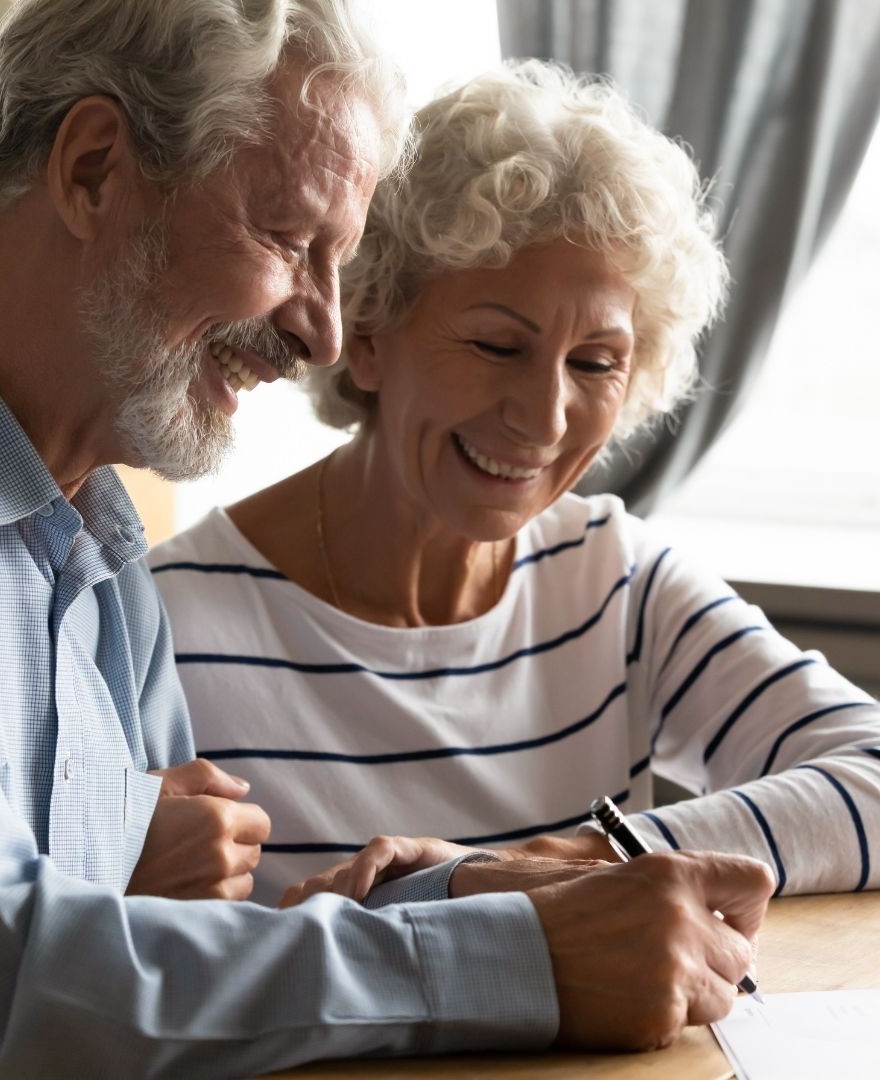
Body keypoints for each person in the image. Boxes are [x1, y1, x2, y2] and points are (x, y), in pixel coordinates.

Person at [0, 3, 775, 1073]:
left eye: (340, 263)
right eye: (290, 242)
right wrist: (520, 955)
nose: (320, 330)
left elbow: (160, 957)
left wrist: (464, 888)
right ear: (90, 170)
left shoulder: (90, 530)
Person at [150, 60, 880, 912]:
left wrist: (582, 856)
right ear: (371, 334)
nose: (544, 419)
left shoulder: (615, 581)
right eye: (499, 346)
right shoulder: (168, 624)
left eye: (596, 363)